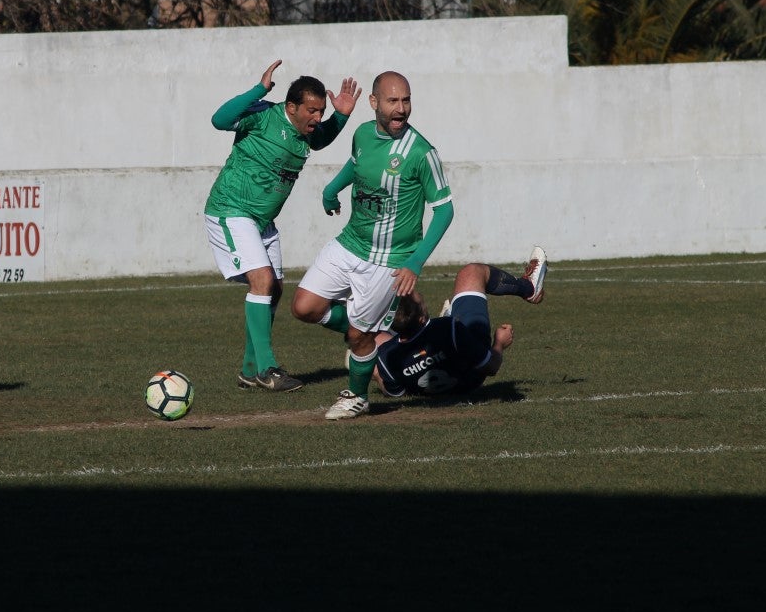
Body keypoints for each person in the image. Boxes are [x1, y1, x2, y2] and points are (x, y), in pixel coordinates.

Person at [290, 71, 454, 397]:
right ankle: (381, 335)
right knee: (304, 307)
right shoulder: (363, 134)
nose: (401, 108)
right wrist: (331, 190)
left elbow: (445, 210)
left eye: (406, 100)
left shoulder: (421, 152)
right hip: (351, 241)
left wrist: (416, 262)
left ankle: (357, 397)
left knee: (357, 337)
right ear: (374, 102)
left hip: (388, 258)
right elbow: (357, 163)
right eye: (393, 100)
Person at [204, 60, 360, 392]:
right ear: (292, 106)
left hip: (262, 221)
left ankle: (250, 368)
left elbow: (320, 140)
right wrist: (260, 89)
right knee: (261, 281)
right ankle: (268, 369)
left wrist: (341, 116)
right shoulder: (263, 115)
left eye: (321, 110)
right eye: (312, 110)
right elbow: (219, 120)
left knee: (273, 288)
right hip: (231, 209)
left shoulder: (308, 132)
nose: (318, 118)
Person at [324, 246, 548, 419]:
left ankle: (362, 359)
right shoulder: (449, 327)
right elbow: (491, 367)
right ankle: (529, 287)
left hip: (424, 386)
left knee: (373, 342)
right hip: (470, 378)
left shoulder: (386, 357)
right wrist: (500, 343)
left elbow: (392, 390)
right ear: (422, 316)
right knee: (471, 272)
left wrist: (375, 371)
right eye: (418, 297)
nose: (420, 294)